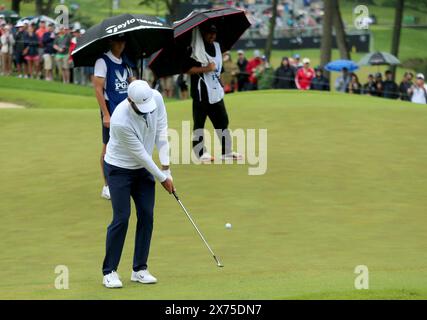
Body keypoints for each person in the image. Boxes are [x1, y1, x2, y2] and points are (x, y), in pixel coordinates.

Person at [102, 80, 175, 288]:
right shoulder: (120, 120)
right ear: (129, 101)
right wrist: (162, 178)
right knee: (122, 217)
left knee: (146, 215)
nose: (145, 112)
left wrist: (167, 168)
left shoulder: (156, 99)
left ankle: (139, 269)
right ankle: (109, 271)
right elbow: (142, 155)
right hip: (119, 169)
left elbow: (161, 132)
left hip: (144, 171)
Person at [184, 23, 242, 162]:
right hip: (200, 93)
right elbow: (187, 69)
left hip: (216, 93)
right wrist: (206, 69)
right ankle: (200, 153)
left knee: (223, 121)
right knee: (199, 124)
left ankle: (226, 151)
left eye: (214, 33)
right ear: (203, 34)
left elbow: (219, 70)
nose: (212, 35)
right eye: (209, 33)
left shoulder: (217, 47)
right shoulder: (195, 49)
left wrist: (221, 84)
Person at [93, 33, 135, 200]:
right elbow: (97, 89)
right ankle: (107, 186)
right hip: (111, 111)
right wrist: (105, 114)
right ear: (110, 41)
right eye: (118, 40)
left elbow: (132, 84)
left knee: (129, 146)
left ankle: (126, 181)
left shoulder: (126, 62)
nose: (121, 44)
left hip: (128, 111)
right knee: (108, 148)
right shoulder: (102, 61)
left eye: (123, 40)